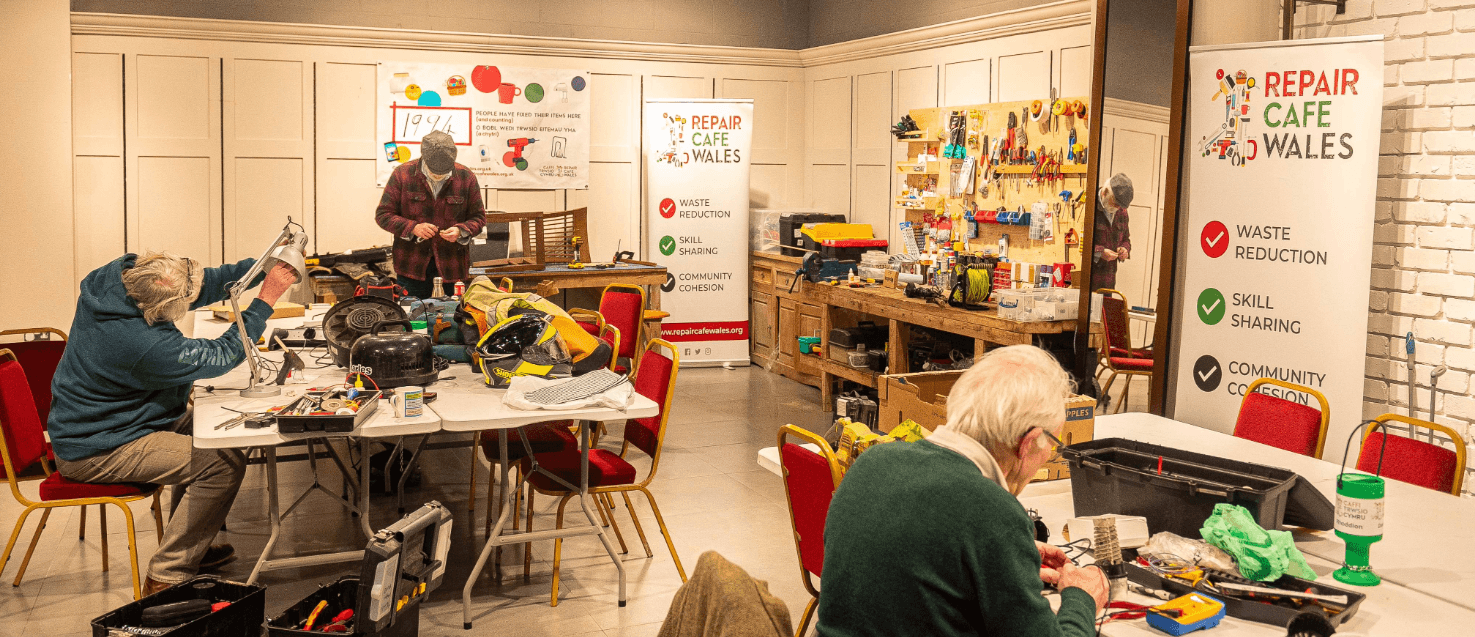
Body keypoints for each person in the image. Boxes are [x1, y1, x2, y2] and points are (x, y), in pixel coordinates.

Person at [48, 252, 299, 596]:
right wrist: (266, 299)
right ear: (159, 310)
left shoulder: (112, 280)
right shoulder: (142, 345)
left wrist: (262, 266)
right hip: (98, 445)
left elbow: (202, 283)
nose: (190, 301)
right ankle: (168, 573)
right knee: (219, 464)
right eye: (183, 302)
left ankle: (194, 544)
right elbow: (221, 355)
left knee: (215, 431)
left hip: (122, 419)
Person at [816, 345, 1108, 637]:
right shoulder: (993, 512)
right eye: (1052, 444)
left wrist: (1005, 558)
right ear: (1029, 442)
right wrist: (1081, 597)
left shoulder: (873, 462)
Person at [375, 130, 488, 299]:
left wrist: (461, 230)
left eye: (444, 172)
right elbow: (383, 215)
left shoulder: (466, 177)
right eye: (434, 171)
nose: (439, 175)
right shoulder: (402, 175)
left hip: (452, 269)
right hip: (411, 268)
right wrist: (412, 228)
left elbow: (479, 218)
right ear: (424, 159)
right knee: (412, 320)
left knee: (453, 319)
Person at [1091, 173, 1134, 292]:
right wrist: (1100, 253)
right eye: (1115, 204)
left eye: (1120, 206)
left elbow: (1126, 239)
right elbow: (1081, 244)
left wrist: (1125, 249)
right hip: (1089, 280)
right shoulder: (1089, 206)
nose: (1117, 208)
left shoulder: (1121, 211)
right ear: (1104, 192)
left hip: (1109, 281)